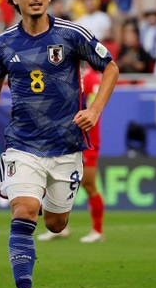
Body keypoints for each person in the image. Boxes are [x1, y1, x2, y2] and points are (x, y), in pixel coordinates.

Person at [0, 0, 119, 288]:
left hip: (66, 147)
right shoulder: (2, 45)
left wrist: (95, 110)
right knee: (23, 212)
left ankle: (47, 217)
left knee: (54, 223)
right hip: (22, 144)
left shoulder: (72, 35)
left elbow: (110, 67)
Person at [38, 66, 106, 243]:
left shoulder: (90, 79)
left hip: (87, 139)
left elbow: (92, 107)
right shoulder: (65, 74)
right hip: (64, 139)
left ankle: (97, 230)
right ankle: (61, 228)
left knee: (89, 184)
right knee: (54, 180)